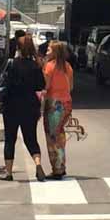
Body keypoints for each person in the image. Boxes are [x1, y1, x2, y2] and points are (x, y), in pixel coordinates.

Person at [0, 34, 47, 182]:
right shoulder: (35, 66)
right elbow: (41, 86)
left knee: (10, 139)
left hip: (11, 106)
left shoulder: (12, 63)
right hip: (30, 106)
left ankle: (8, 172)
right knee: (31, 139)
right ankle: (38, 164)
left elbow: (3, 83)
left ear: (18, 48)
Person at [43, 41, 74, 180]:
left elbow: (46, 85)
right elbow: (71, 87)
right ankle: (61, 165)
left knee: (52, 137)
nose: (46, 51)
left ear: (55, 52)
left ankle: (57, 169)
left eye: (48, 49)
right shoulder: (68, 67)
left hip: (54, 104)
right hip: (66, 103)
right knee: (60, 135)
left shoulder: (50, 66)